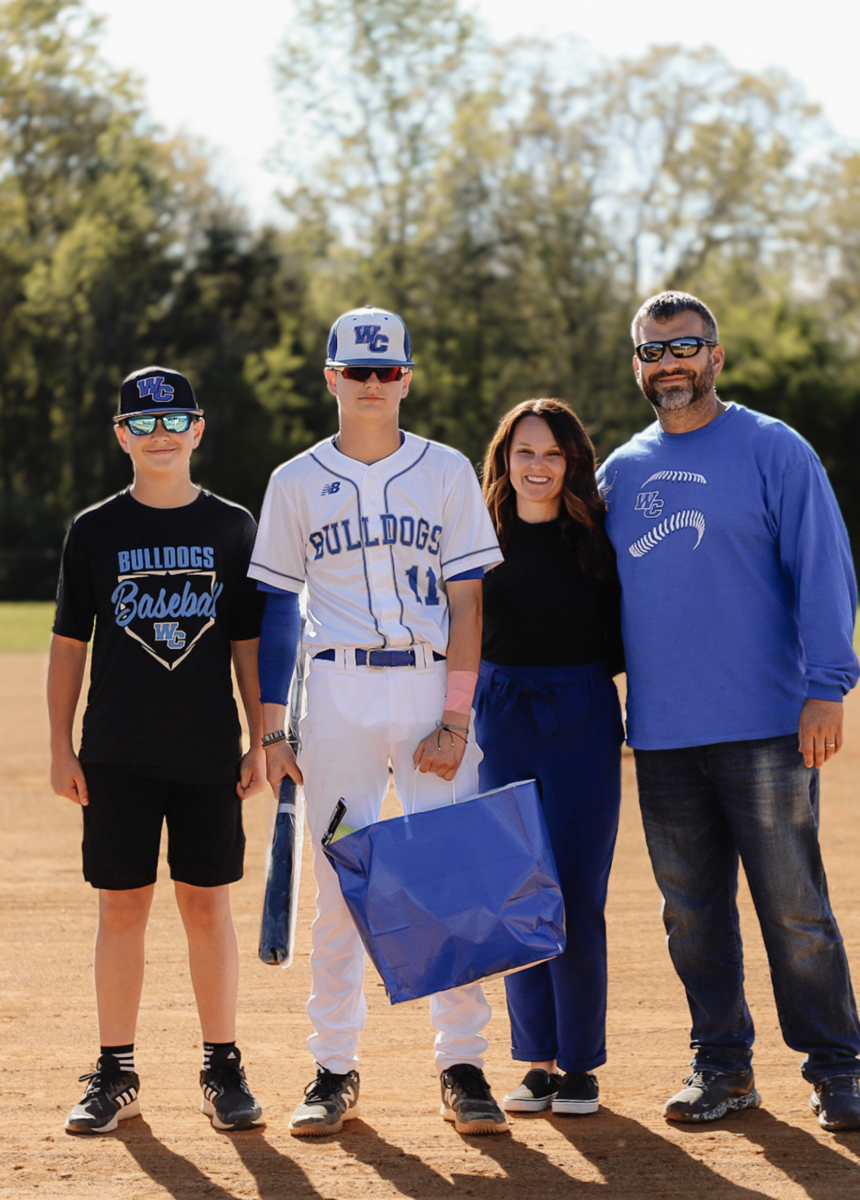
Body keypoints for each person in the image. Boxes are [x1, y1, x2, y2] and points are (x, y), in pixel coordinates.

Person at [597, 291, 860, 1133]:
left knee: (794, 908)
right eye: (653, 350)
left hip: (764, 722)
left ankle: (834, 1071)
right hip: (664, 731)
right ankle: (723, 1067)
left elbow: (823, 564)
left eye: (686, 346)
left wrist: (826, 683)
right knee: (690, 915)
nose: (669, 362)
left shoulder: (772, 448)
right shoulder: (619, 472)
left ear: (716, 356)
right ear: (637, 366)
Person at [249, 305, 507, 1137]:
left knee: (452, 878)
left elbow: (469, 602)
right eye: (355, 371)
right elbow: (281, 610)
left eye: (385, 371)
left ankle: (462, 1064)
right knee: (337, 888)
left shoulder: (446, 471)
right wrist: (274, 727)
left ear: (406, 377)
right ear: (330, 377)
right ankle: (333, 1066)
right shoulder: (294, 480)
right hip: (338, 699)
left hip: (432, 690)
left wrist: (457, 719)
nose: (371, 385)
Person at [48, 367, 267, 1135]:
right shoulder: (95, 530)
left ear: (199, 429)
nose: (160, 434)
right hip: (116, 752)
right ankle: (115, 1070)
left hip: (208, 750)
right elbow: (69, 644)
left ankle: (222, 1065)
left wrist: (261, 738)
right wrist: (59, 745)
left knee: (208, 905)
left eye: (175, 421)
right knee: (123, 907)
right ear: (122, 437)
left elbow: (248, 642)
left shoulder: (233, 526)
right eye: (142, 424)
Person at [475, 399, 623, 1117]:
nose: (537, 466)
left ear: (573, 462)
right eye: (524, 451)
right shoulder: (477, 536)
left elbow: (628, 637)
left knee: (578, 893)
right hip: (500, 719)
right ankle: (535, 1062)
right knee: (517, 889)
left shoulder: (598, 540)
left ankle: (581, 1064)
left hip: (584, 716)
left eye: (553, 454)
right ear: (505, 459)